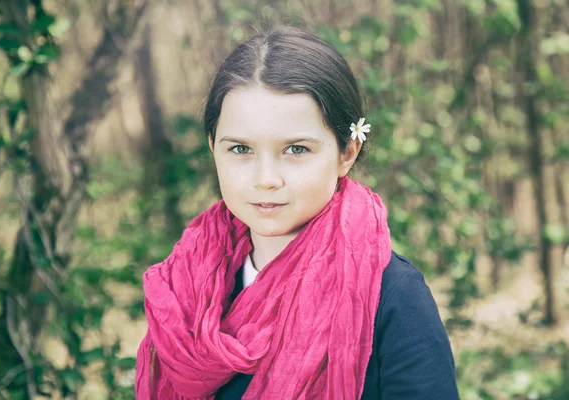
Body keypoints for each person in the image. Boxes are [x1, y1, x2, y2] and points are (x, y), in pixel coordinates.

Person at [135, 26, 459, 399]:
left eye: (296, 150)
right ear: (213, 148)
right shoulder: (185, 290)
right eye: (240, 149)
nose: (266, 179)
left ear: (346, 152)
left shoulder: (395, 296)